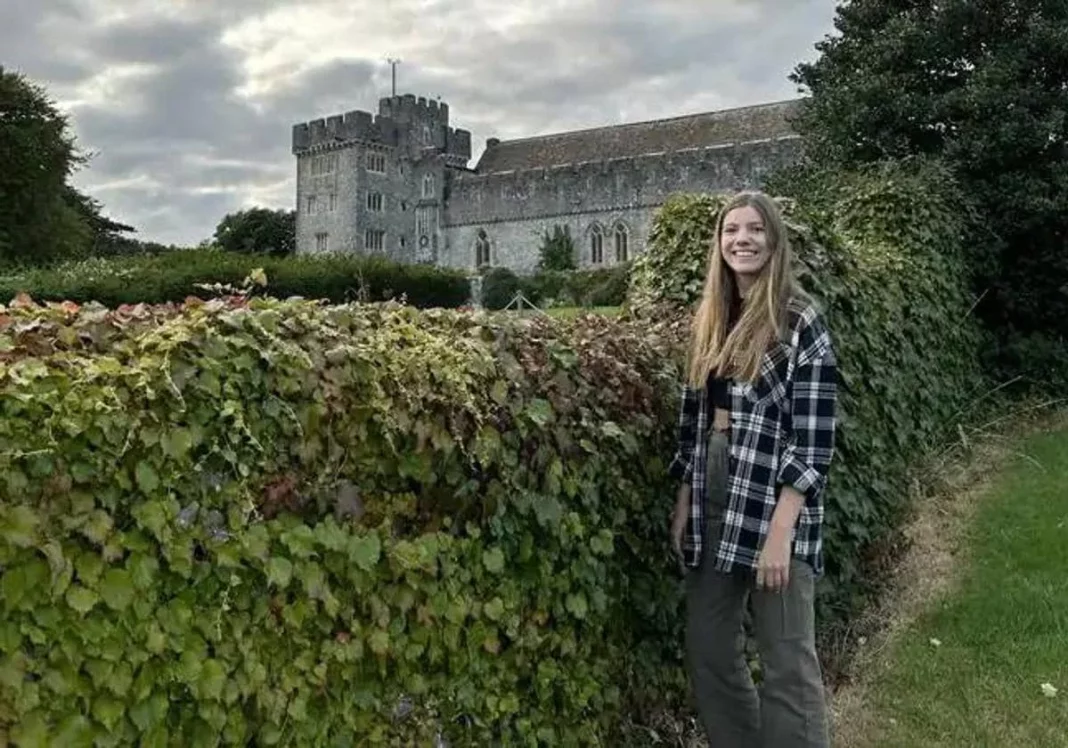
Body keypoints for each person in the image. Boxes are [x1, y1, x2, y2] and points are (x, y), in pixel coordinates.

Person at [668, 190, 838, 747]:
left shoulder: (798, 319)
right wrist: (686, 500)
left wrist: (780, 535)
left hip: (774, 497)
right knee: (710, 646)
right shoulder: (713, 317)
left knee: (786, 659)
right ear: (719, 244)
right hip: (716, 485)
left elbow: (813, 441)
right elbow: (694, 416)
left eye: (755, 229)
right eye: (731, 230)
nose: (742, 239)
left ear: (774, 240)